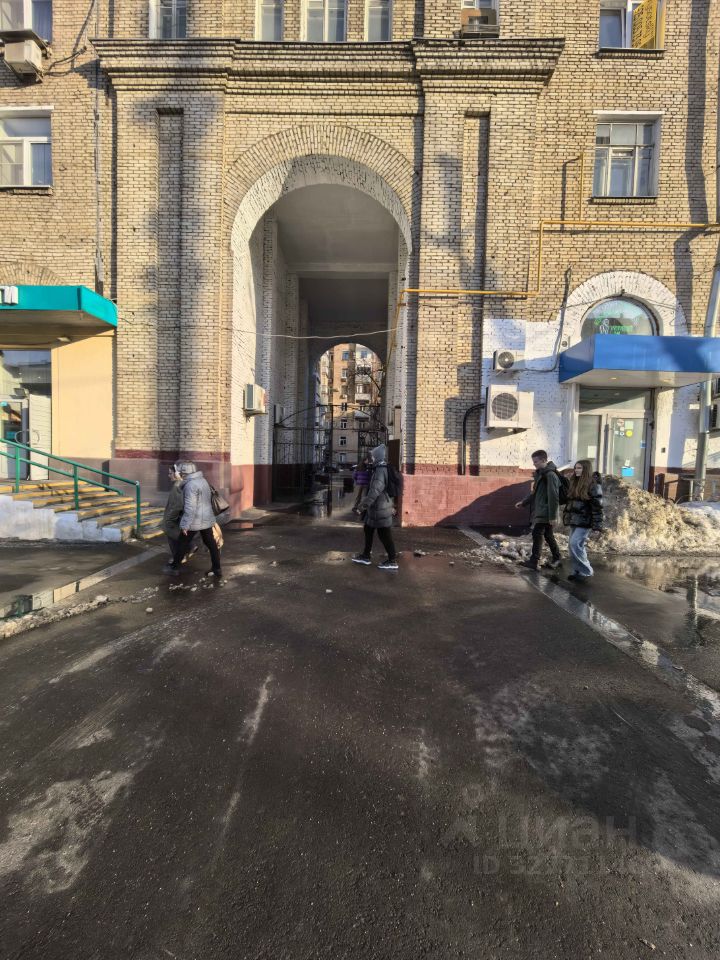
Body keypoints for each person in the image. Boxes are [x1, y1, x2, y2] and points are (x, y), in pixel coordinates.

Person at [163, 461, 223, 578]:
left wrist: (185, 525)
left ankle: (174, 567)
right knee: (211, 544)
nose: (179, 474)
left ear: (184, 473)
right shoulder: (203, 480)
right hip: (206, 518)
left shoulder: (190, 485)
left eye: (180, 472)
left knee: (182, 543)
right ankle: (217, 568)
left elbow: (190, 508)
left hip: (194, 521)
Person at [352, 443, 399, 571]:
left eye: (372, 456)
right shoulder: (377, 468)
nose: (370, 459)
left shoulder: (380, 471)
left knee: (384, 534)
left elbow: (374, 492)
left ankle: (392, 560)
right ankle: (366, 556)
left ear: (377, 457)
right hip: (376, 508)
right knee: (368, 529)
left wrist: (361, 507)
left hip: (380, 508)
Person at [515, 449, 563, 571]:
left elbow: (554, 496)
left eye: (536, 461)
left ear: (544, 460)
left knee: (537, 533)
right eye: (533, 461)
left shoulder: (550, 475)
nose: (534, 464)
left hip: (546, 512)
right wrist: (524, 502)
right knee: (548, 535)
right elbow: (535, 493)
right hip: (542, 510)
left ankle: (534, 561)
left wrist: (553, 516)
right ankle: (557, 557)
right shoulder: (541, 474)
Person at [563, 460, 603, 582]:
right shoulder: (575, 482)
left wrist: (597, 526)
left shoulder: (593, 486)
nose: (576, 470)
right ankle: (578, 571)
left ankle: (586, 571)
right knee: (574, 546)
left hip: (585, 521)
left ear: (586, 469)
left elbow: (597, 508)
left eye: (579, 468)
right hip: (575, 520)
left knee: (574, 544)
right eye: (575, 468)